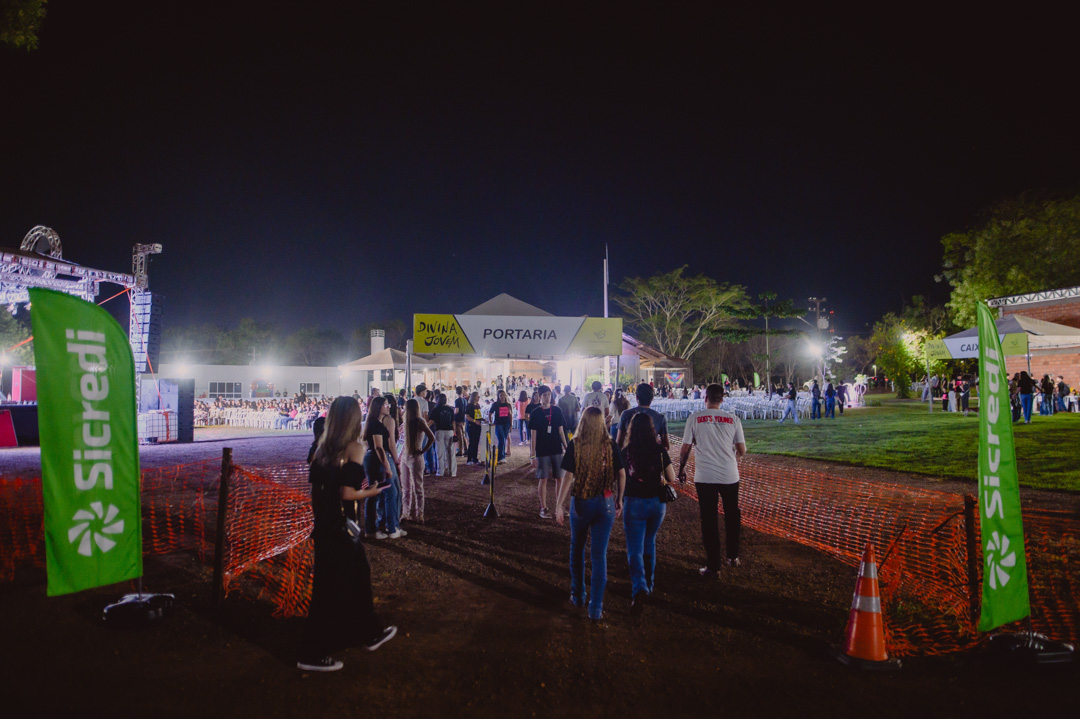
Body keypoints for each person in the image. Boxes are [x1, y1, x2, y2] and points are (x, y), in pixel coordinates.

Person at [297, 396, 395, 672]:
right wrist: (370, 492)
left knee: (348, 581)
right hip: (341, 528)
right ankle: (313, 653)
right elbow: (348, 493)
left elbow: (316, 492)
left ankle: (368, 633)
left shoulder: (321, 448)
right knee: (336, 589)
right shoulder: (354, 447)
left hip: (325, 526)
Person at [554, 407, 625, 621]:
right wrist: (620, 498)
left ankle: (578, 595)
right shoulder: (611, 445)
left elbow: (568, 477)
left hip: (582, 501)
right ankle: (596, 608)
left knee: (577, 549)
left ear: (583, 422)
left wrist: (559, 504)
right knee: (599, 555)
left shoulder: (576, 445)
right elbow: (622, 474)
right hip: (605, 502)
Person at [678, 383, 746, 578]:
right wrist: (733, 458)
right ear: (722, 399)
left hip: (705, 476)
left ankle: (714, 566)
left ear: (705, 398)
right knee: (732, 515)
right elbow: (742, 450)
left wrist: (682, 468)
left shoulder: (695, 418)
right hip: (729, 475)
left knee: (709, 519)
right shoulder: (733, 419)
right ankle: (733, 556)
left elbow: (685, 449)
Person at [621, 411, 675, 615]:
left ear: (631, 430)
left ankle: (639, 588)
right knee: (649, 542)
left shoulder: (626, 452)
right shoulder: (659, 450)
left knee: (634, 549)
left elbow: (620, 478)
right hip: (656, 503)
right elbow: (671, 477)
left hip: (633, 502)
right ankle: (649, 585)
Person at [362, 396, 403, 540]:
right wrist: (387, 466)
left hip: (374, 458)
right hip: (378, 458)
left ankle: (375, 528)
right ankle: (391, 528)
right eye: (385, 404)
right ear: (378, 407)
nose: (388, 407)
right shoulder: (376, 424)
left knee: (376, 493)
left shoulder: (373, 423)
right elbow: (379, 447)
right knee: (389, 492)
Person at [529, 385, 568, 519]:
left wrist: (566, 447)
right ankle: (543, 508)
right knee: (543, 478)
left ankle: (559, 506)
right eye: (544, 395)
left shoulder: (557, 411)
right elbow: (533, 435)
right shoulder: (535, 413)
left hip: (556, 448)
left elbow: (561, 430)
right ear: (539, 396)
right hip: (542, 450)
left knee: (559, 478)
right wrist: (532, 455)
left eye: (549, 394)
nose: (547, 397)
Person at [400, 398, 435, 523]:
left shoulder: (420, 422)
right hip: (407, 456)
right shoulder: (406, 422)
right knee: (406, 488)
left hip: (414, 456)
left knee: (417, 488)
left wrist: (422, 451)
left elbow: (431, 437)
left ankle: (419, 514)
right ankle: (406, 513)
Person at [616, 383, 669, 450]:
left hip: (631, 455)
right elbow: (666, 446)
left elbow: (619, 442)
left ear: (636, 397)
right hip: (651, 455)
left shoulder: (626, 414)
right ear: (652, 398)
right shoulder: (660, 417)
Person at [431, 393, 458, 477]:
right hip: (449, 431)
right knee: (451, 452)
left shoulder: (436, 410)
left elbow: (431, 421)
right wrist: (454, 432)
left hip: (439, 431)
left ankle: (440, 471)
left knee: (439, 452)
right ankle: (452, 472)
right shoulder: (450, 409)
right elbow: (453, 422)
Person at [488, 389, 513, 461]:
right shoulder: (495, 404)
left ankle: (502, 456)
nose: (502, 397)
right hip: (498, 424)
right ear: (498, 396)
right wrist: (490, 422)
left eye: (503, 395)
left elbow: (510, 415)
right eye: (501, 395)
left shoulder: (508, 405)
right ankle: (500, 457)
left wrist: (511, 425)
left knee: (503, 439)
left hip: (506, 424)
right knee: (501, 439)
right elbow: (490, 413)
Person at [464, 391, 484, 464]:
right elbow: (467, 416)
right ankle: (469, 459)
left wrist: (482, 419)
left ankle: (475, 458)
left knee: (476, 442)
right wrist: (475, 421)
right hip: (471, 426)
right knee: (472, 442)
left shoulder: (478, 405)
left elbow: (478, 415)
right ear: (474, 397)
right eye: (477, 396)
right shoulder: (469, 405)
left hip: (478, 426)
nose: (478, 397)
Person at [453, 386, 468, 457]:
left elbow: (456, 411)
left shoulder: (457, 400)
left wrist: (453, 411)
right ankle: (466, 449)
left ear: (456, 392)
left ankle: (460, 451)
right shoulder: (465, 400)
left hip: (458, 419)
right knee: (463, 435)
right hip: (463, 419)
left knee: (459, 436)